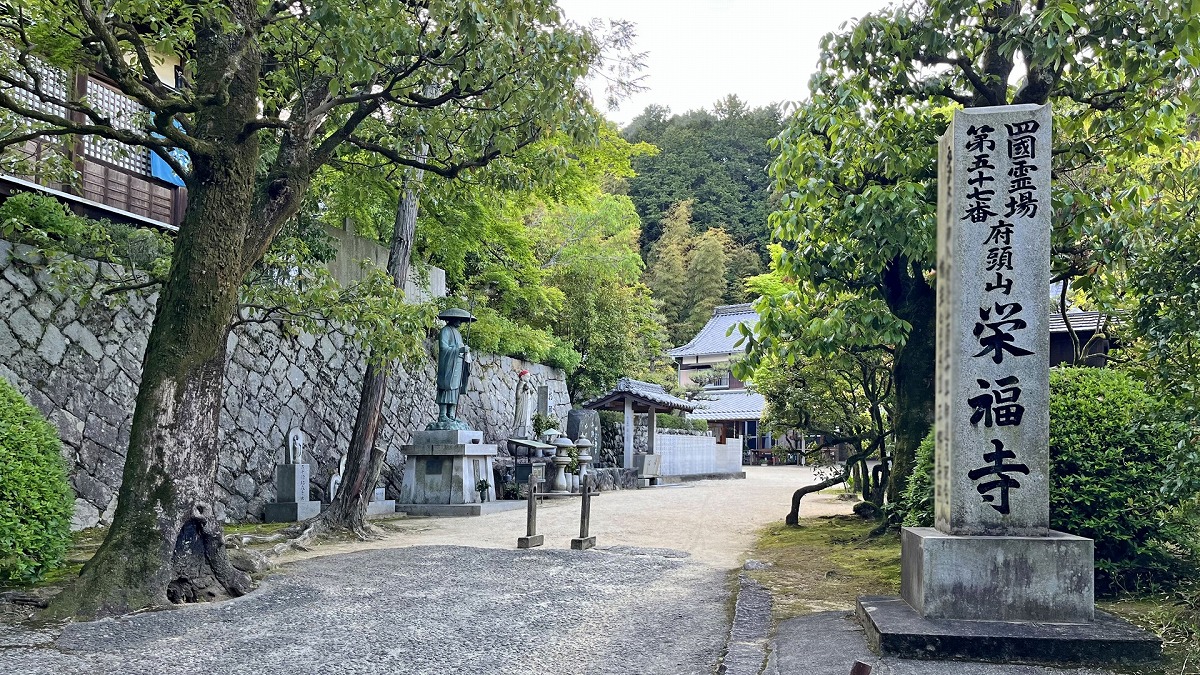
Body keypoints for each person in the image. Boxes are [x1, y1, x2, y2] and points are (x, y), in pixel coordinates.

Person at [433, 307, 476, 428]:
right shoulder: (445, 331)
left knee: (455, 389)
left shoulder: (457, 333)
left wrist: (465, 352)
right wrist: (459, 349)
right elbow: (443, 348)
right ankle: (442, 414)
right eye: (458, 320)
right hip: (448, 365)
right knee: (446, 387)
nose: (460, 323)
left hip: (458, 364)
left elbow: (460, 348)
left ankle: (451, 414)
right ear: (452, 319)